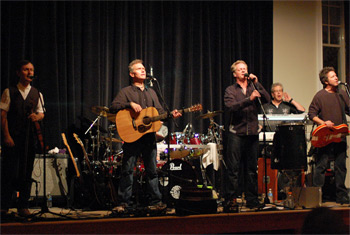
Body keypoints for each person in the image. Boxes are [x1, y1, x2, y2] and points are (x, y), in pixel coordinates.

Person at [109, 59, 182, 212]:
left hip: (148, 137)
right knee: (128, 170)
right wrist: (129, 104)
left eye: (143, 68)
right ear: (131, 73)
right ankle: (124, 203)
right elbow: (113, 107)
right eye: (139, 69)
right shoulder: (126, 92)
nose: (143, 70)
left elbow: (160, 113)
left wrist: (170, 115)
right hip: (132, 137)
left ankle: (155, 201)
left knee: (152, 171)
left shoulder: (152, 92)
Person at [224, 60, 270, 212]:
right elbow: (231, 107)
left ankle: (252, 200)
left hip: (252, 133)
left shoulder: (253, 86)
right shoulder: (231, 90)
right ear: (235, 73)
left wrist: (258, 83)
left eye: (245, 68)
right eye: (240, 69)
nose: (244, 71)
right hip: (236, 133)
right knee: (234, 169)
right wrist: (248, 100)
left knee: (252, 169)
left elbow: (267, 100)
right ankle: (231, 200)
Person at [1, 60, 45, 217]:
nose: (29, 72)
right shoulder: (9, 91)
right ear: (18, 72)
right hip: (13, 137)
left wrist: (37, 117)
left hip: (29, 139)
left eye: (31, 69)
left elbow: (41, 113)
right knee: (8, 171)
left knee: (26, 172)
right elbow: (3, 115)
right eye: (26, 69)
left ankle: (23, 205)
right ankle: (4, 205)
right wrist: (6, 136)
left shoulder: (36, 93)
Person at [308, 66, 350, 205]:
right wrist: (323, 123)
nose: (336, 78)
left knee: (341, 166)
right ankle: (317, 196)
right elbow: (311, 114)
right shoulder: (320, 96)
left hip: (340, 136)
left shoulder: (342, 94)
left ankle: (341, 196)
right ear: (326, 81)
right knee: (321, 166)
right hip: (325, 136)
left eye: (336, 75)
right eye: (332, 76)